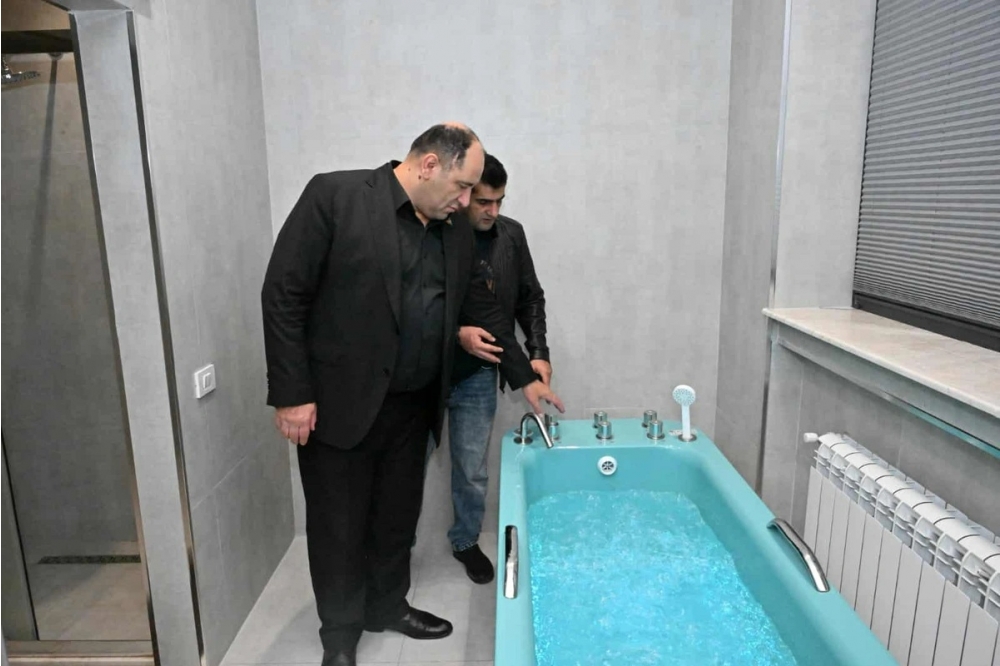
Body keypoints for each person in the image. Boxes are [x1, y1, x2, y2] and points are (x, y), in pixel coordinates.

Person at [260, 123, 564, 666]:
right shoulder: (336, 197)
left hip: (414, 405)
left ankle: (387, 606)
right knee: (338, 526)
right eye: (462, 186)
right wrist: (292, 393)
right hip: (340, 406)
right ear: (428, 165)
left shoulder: (452, 231)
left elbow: (481, 305)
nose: (466, 201)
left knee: (395, 520)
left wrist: (525, 375)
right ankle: (340, 637)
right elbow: (284, 294)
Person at [446, 154, 552, 584]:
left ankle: (465, 541)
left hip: (479, 372)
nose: (492, 211)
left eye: (500, 201)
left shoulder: (511, 235)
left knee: (472, 467)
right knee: (404, 468)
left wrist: (538, 351)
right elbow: (417, 306)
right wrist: (457, 334)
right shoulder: (436, 233)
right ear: (464, 196)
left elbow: (530, 297)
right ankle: (395, 548)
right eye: (484, 202)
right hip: (427, 371)